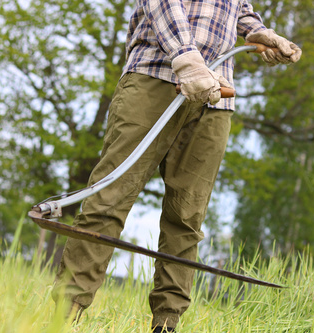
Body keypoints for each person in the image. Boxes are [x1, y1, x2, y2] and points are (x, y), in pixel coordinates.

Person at [51, 1, 301, 332]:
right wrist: (186, 59)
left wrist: (259, 32)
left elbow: (236, 7)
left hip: (216, 96)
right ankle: (61, 319)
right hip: (155, 76)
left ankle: (166, 325)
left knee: (187, 217)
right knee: (109, 200)